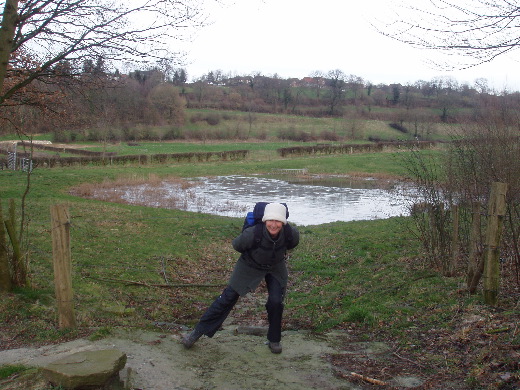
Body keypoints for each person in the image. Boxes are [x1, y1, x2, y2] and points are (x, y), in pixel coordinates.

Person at [181, 202, 300, 354]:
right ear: (265, 220)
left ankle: (274, 340)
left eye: (278, 221)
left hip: (275, 267)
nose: (274, 225)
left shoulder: (291, 233)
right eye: (271, 220)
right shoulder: (252, 233)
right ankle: (196, 333)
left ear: (283, 222)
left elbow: (292, 244)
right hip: (249, 266)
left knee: (276, 302)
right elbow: (237, 245)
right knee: (227, 298)